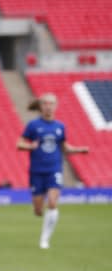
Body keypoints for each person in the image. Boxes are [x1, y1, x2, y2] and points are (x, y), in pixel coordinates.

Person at [17, 93, 88, 249]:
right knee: (38, 209)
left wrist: (78, 150)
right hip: (36, 171)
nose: (48, 106)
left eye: (51, 103)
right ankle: (37, 209)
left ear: (55, 106)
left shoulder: (60, 126)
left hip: (54, 168)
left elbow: (64, 147)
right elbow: (19, 144)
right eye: (45, 103)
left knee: (53, 202)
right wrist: (30, 146)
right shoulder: (33, 125)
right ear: (40, 106)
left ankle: (45, 239)